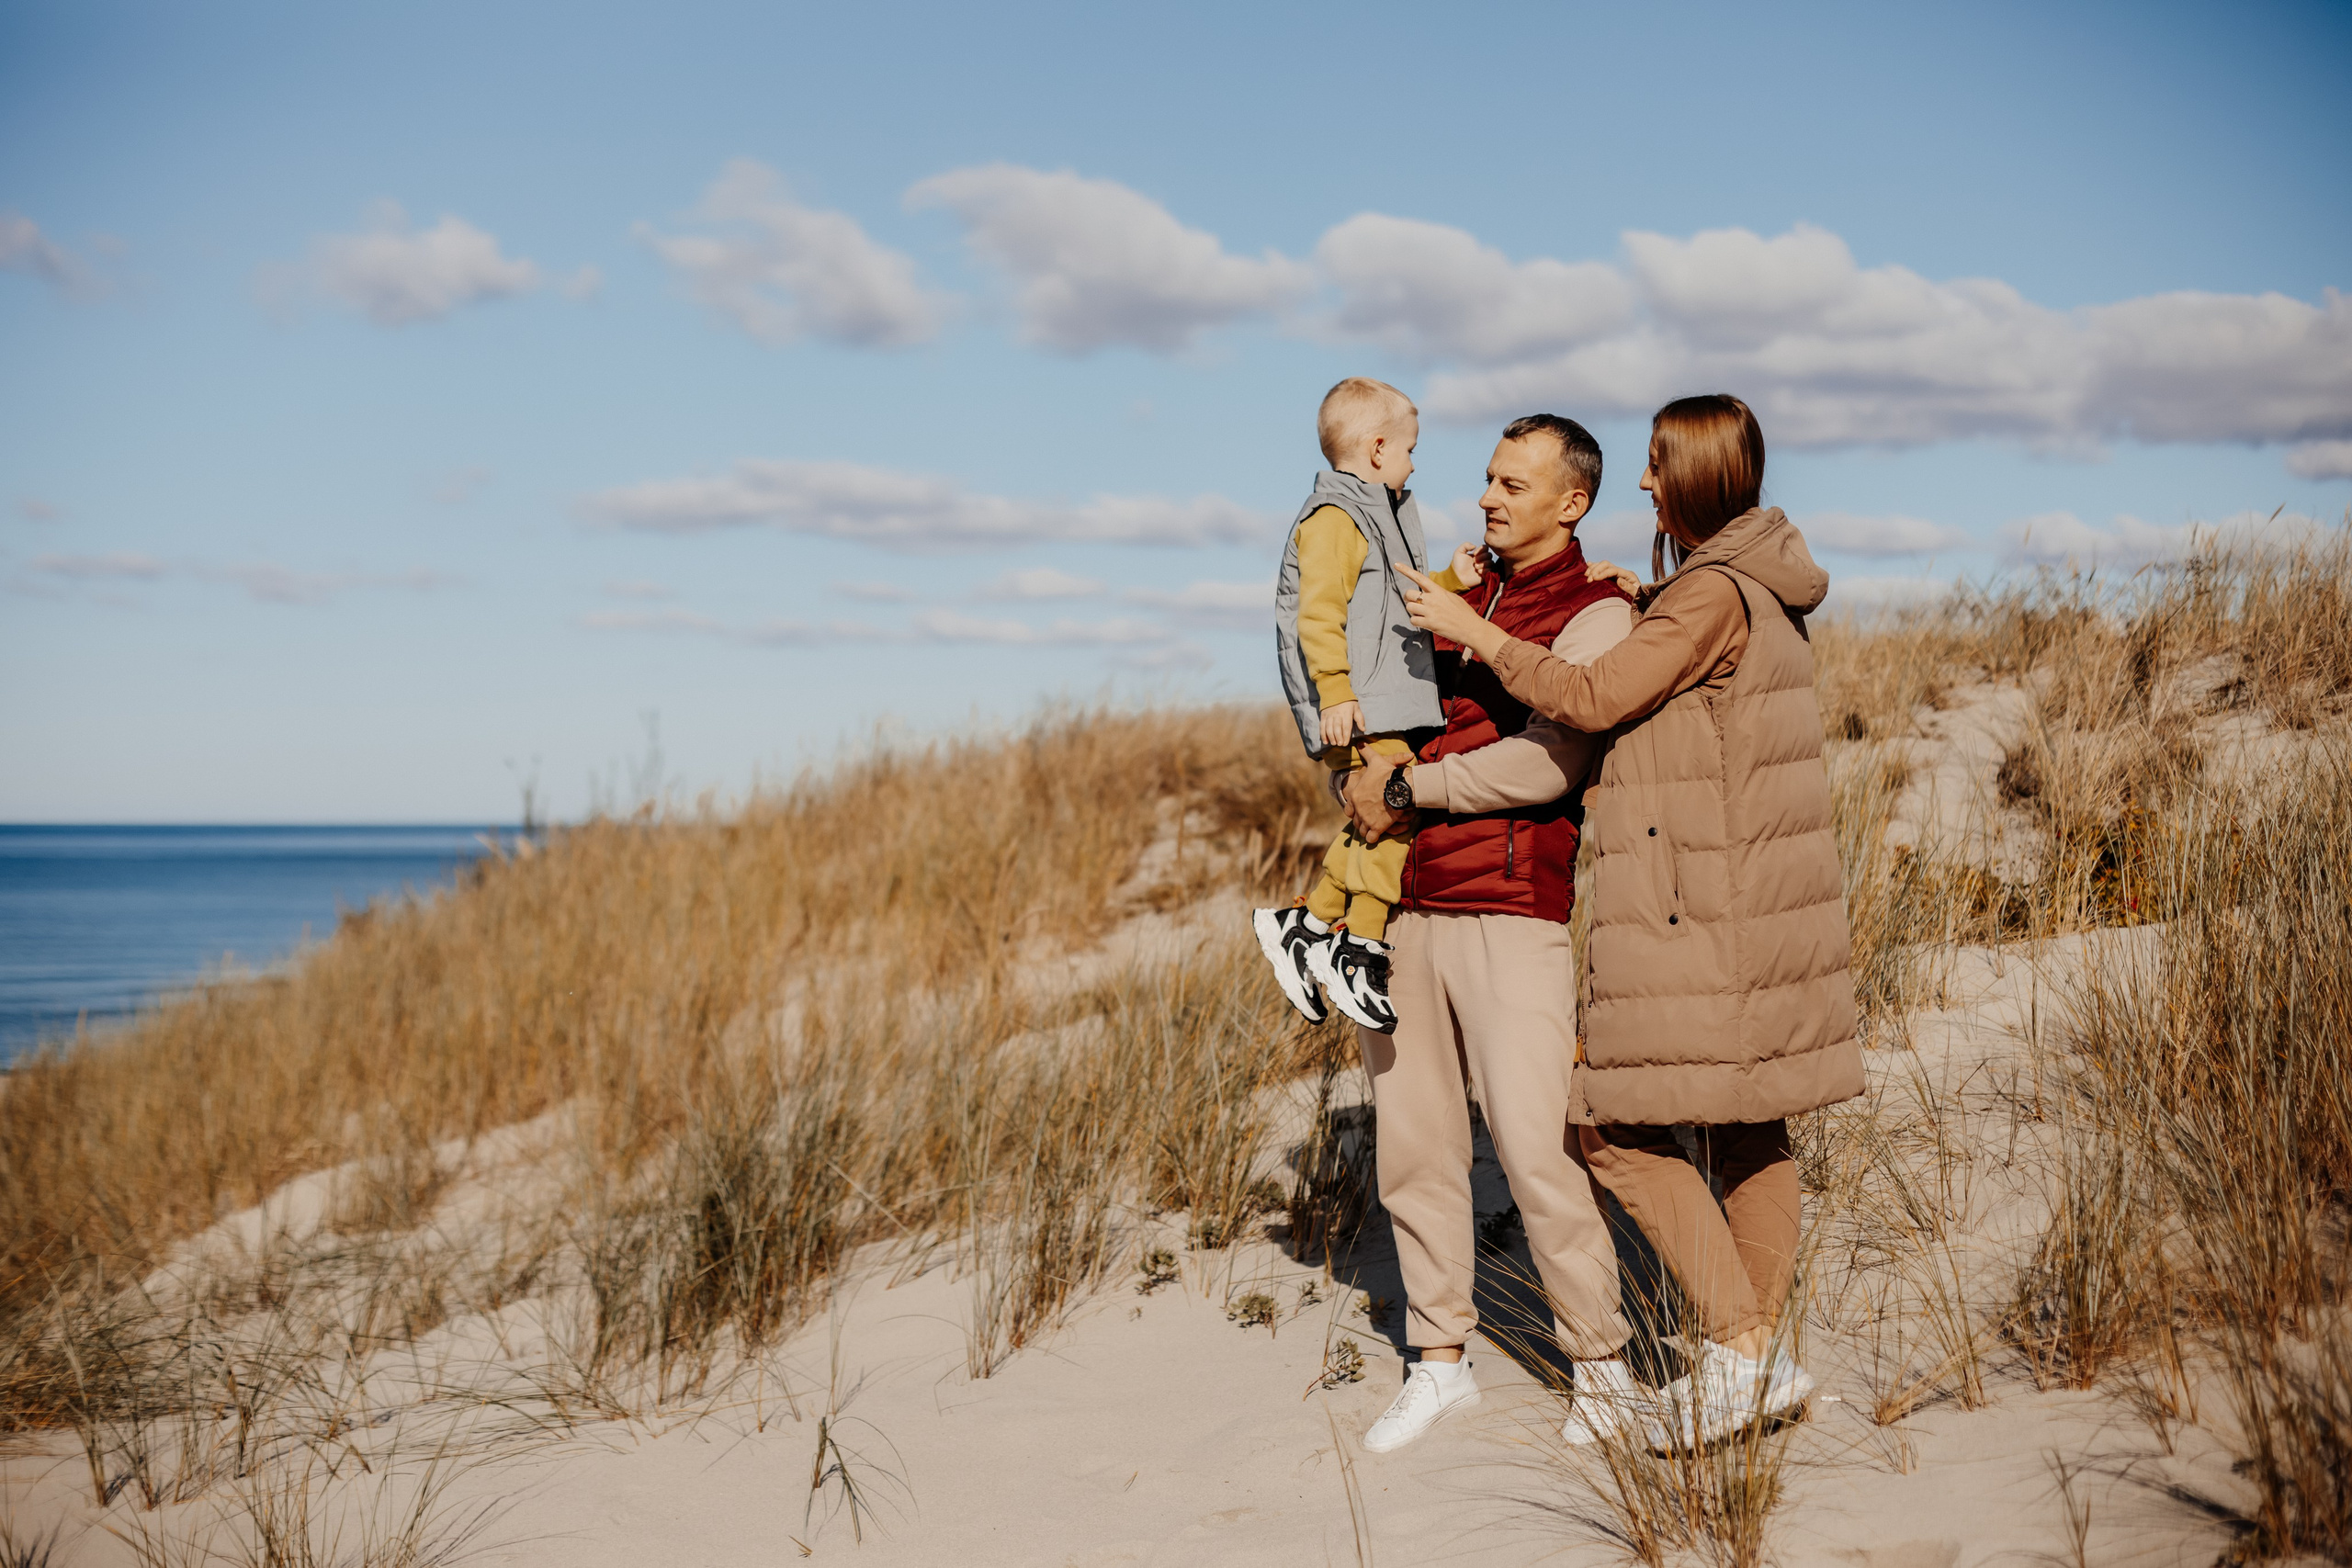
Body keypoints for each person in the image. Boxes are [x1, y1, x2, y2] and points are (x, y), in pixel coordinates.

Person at [1396, 393, 1866, 1447]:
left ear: (1692, 476)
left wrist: (1475, 630)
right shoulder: (1744, 583)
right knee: (1748, 1126)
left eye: (1657, 468)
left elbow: (1598, 699)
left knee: (1610, 1126)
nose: (1645, 485)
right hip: (1761, 896)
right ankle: (1755, 1358)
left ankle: (1743, 1345)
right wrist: (1645, 593)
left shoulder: (1705, 595)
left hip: (1705, 900)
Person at [1336, 414, 1651, 1454]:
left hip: (1513, 913)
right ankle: (1439, 1362)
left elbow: (1547, 766)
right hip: (1410, 906)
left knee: (1533, 1145)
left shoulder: (1598, 609)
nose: (1486, 495)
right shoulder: (1459, 592)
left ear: (1572, 502)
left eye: (1514, 483)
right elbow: (1378, 702)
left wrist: (1407, 787)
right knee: (1414, 1146)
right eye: (1484, 476)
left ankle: (1601, 1368)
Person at [1255, 378, 1485, 1032]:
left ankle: (1302, 925)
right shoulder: (1335, 519)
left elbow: (1389, 607)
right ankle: (1357, 946)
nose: (1416, 462)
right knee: (1396, 813)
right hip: (1357, 704)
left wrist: (1448, 582)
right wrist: (1336, 693)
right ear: (1378, 448)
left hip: (1376, 696)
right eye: (1411, 448)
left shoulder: (1379, 512)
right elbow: (1317, 616)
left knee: (1372, 821)